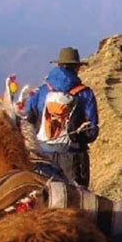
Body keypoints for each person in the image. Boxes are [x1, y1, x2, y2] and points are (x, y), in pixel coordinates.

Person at [25, 47, 99, 187]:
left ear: (58, 65)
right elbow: (92, 131)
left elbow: (28, 119)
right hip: (73, 158)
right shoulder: (84, 94)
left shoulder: (41, 91)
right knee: (76, 200)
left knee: (46, 198)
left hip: (43, 156)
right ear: (77, 68)